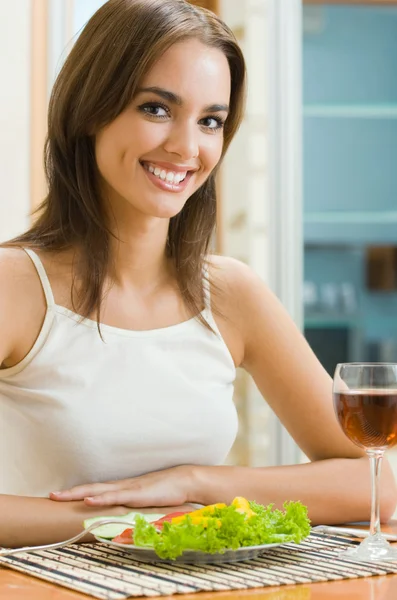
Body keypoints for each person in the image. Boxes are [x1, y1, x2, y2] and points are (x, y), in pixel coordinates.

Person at [0, 0, 395, 549]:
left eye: (211, 120)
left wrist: (197, 485)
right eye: (156, 109)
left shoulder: (230, 293)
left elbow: (376, 481)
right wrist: (132, 522)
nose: (187, 148)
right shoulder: (15, 285)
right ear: (90, 109)